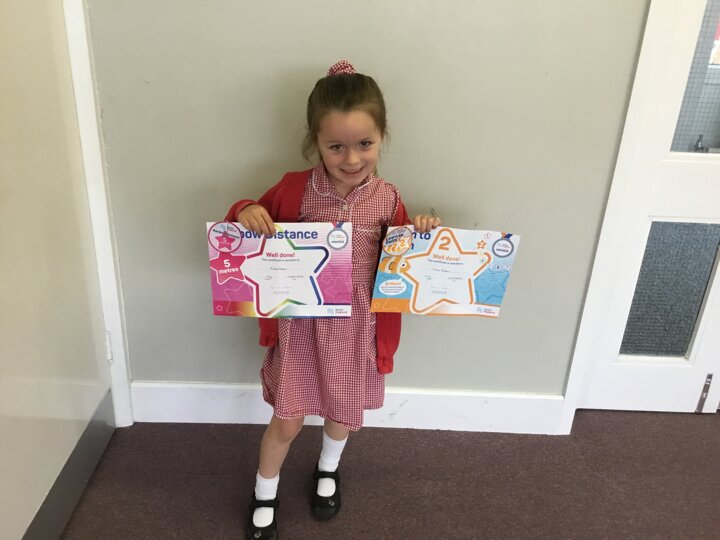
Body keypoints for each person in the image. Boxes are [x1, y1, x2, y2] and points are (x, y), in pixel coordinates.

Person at [225, 60, 441, 540]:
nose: (351, 158)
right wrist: (247, 209)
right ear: (315, 142)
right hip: (302, 329)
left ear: (382, 137)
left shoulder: (388, 197)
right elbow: (242, 224)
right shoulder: (295, 189)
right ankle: (264, 492)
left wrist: (423, 233)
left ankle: (328, 470)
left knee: (341, 413)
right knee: (286, 420)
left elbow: (402, 262)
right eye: (336, 146)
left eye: (365, 144)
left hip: (357, 328)